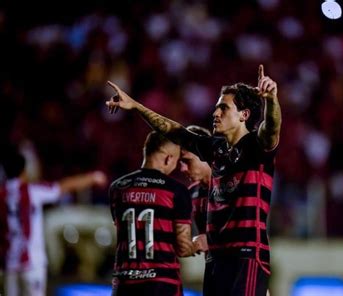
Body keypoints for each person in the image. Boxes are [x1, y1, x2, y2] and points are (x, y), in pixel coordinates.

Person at [106, 64, 281, 295]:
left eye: (223, 108)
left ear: (244, 115)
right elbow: (174, 130)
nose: (215, 113)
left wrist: (271, 100)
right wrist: (136, 106)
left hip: (245, 254)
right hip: (216, 258)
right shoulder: (216, 149)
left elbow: (271, 129)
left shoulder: (257, 147)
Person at [1, 150, 107, 296]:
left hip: (8, 265)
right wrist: (92, 178)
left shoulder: (2, 194)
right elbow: (64, 186)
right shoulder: (32, 191)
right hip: (32, 265)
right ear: (24, 171)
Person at [109, 131, 201, 296]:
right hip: (161, 284)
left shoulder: (117, 187)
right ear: (168, 158)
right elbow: (183, 248)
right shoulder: (176, 191)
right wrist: (200, 243)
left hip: (123, 283)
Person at [178, 125, 212, 246]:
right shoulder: (191, 193)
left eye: (187, 161)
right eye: (180, 162)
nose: (182, 169)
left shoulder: (233, 186)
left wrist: (211, 240)